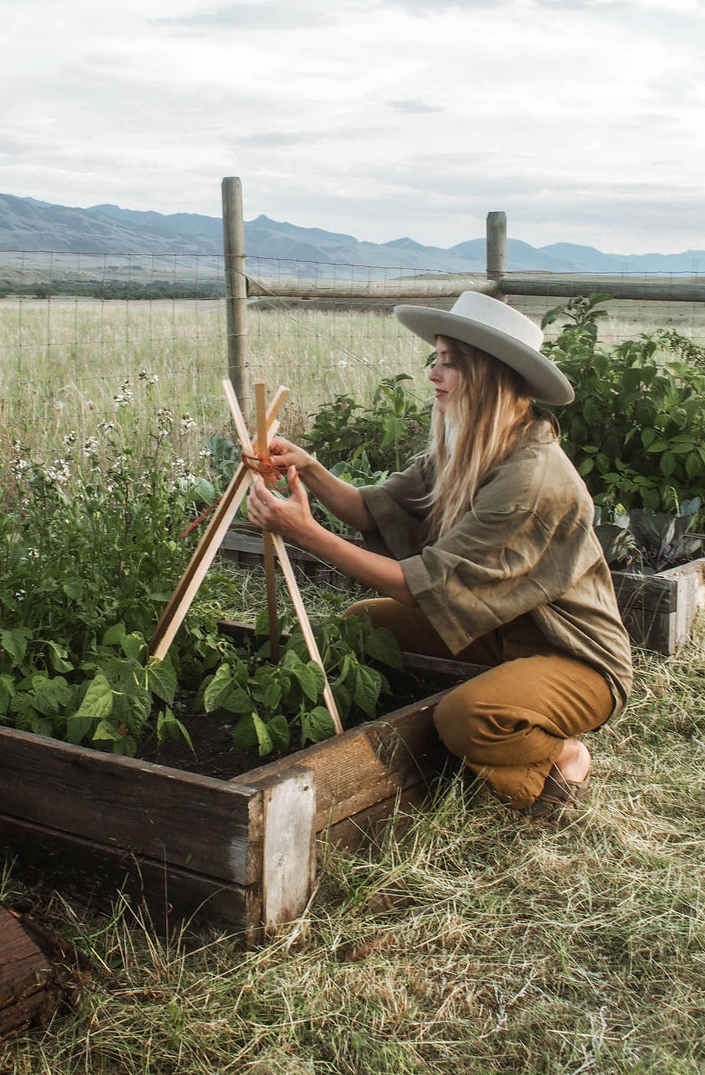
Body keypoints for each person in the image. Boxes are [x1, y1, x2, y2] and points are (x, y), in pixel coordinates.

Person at [245, 291, 633, 820]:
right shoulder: (471, 446)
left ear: (489, 374)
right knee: (364, 628)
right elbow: (371, 509)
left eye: (449, 363)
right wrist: (308, 468)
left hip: (574, 658)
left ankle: (560, 755)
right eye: (437, 360)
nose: (433, 374)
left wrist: (307, 533)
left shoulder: (532, 480)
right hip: (498, 633)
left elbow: (419, 586)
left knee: (466, 717)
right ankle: (483, 729)